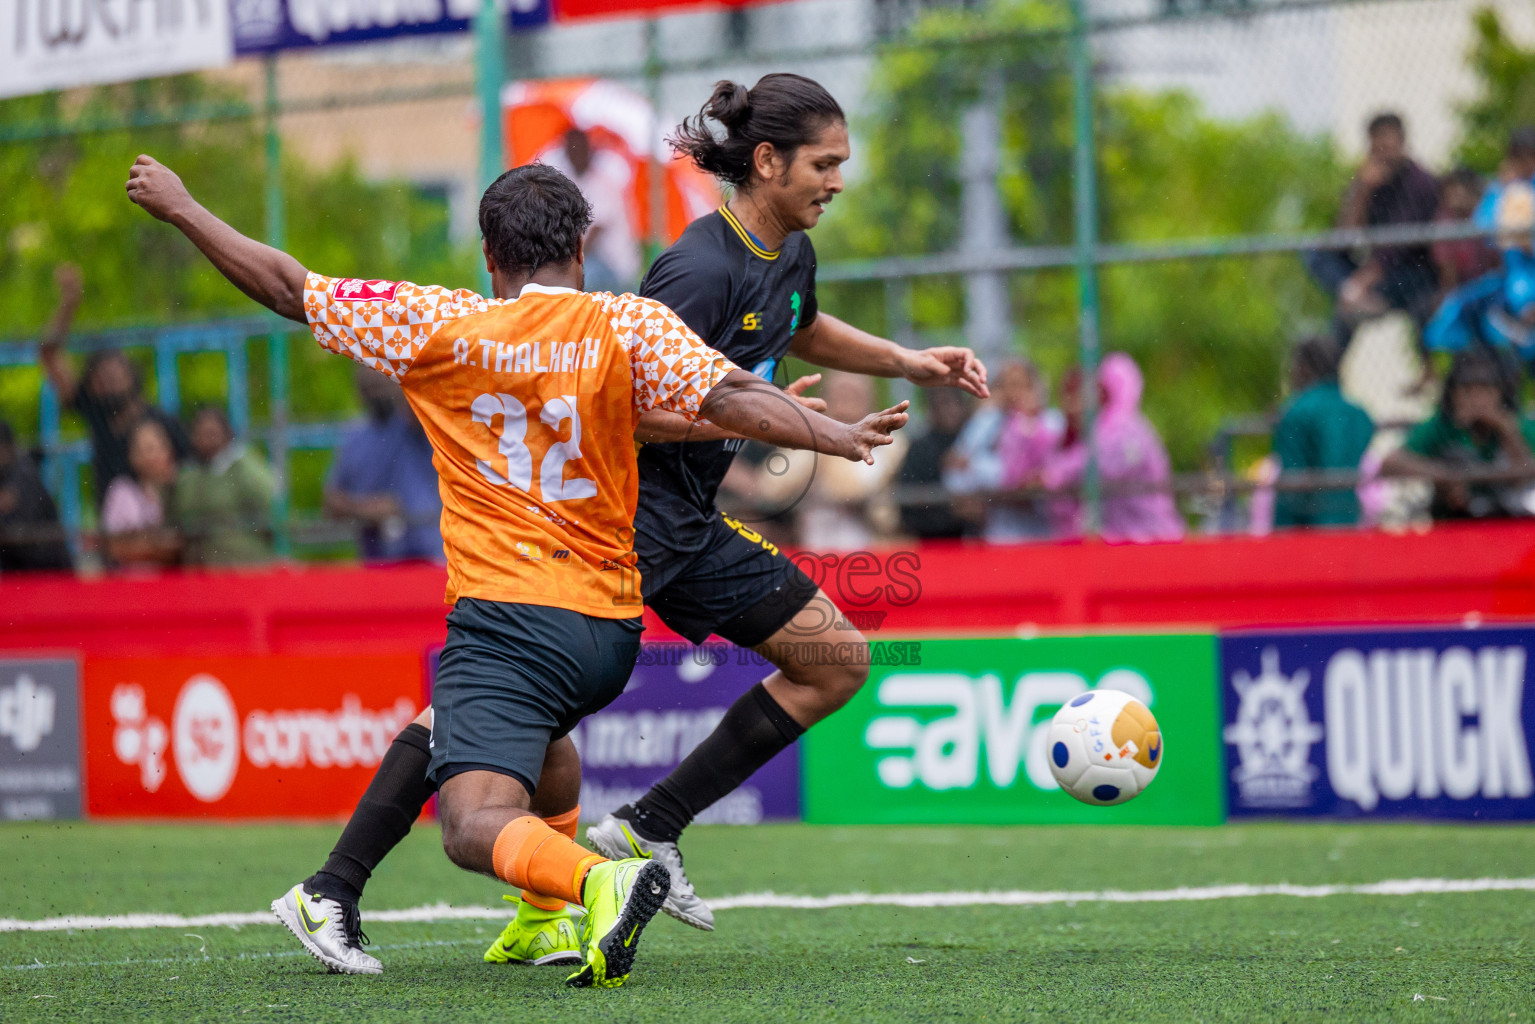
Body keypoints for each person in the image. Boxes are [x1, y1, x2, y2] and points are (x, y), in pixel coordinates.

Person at [126, 153, 906, 987]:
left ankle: (593, 879)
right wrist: (824, 432)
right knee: (539, 743)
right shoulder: (627, 326)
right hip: (609, 629)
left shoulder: (438, 323)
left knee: (471, 824)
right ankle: (519, 918)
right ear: (584, 240)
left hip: (506, 616)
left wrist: (183, 207)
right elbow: (722, 399)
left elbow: (286, 285)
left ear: (489, 256)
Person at [266, 73, 983, 971]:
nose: (838, 179)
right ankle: (348, 884)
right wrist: (760, 414)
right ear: (766, 162)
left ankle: (634, 836)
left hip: (686, 519)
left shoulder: (788, 254)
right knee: (487, 709)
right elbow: (620, 399)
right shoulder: (694, 268)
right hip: (629, 519)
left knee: (829, 660)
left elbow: (797, 324)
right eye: (825, 163)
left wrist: (907, 361)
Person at [36, 264, 190, 505]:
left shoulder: (165, 423)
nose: (109, 382)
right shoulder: (94, 412)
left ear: (132, 376)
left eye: (115, 374)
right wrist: (69, 303)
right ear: (91, 386)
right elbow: (49, 354)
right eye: (101, 377)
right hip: (115, 533)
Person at [1304, 113, 1442, 341]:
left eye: (1389, 142)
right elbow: (1344, 238)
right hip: (1373, 274)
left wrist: (1359, 284)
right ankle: (1330, 371)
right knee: (1317, 254)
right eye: (1378, 143)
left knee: (1347, 308)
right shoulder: (1370, 179)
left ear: (1402, 141)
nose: (1384, 151)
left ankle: (1359, 297)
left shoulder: (1419, 182)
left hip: (1413, 273)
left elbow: (1396, 247)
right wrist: (1362, 190)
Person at [1042, 353, 1184, 543]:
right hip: (1121, 539)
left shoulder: (1129, 430)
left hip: (1150, 536)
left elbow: (1104, 468)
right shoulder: (1092, 433)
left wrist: (1056, 474)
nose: (1073, 406)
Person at [1382, 347, 1535, 519]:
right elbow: (1390, 463)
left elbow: (1526, 475)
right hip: (1458, 515)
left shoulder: (1517, 424)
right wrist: (1446, 477)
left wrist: (1506, 430)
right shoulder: (1442, 425)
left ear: (1500, 394)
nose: (1477, 401)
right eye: (1467, 392)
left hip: (1509, 515)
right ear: (1453, 396)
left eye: (1485, 391)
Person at [326, 366, 444, 563]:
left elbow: (421, 392)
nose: (376, 390)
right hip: (378, 564)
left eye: (380, 379)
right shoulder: (355, 439)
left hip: (427, 557)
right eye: (369, 384)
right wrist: (367, 509)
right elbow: (331, 503)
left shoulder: (415, 426)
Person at [1270, 337, 1377, 528]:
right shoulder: (1359, 415)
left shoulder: (1297, 411)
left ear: (1305, 367)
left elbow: (1291, 481)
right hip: (1350, 520)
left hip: (1308, 526)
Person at [542, 127, 642, 293]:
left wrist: (561, 263)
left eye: (579, 150)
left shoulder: (602, 184)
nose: (575, 156)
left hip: (615, 268)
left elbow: (591, 237)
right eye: (571, 151)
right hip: (593, 261)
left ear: (589, 151)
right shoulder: (575, 183)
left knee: (576, 279)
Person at [175, 406, 277, 566]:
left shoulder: (245, 467)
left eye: (212, 434)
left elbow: (271, 505)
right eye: (200, 434)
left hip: (243, 565)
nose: (206, 441)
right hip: (202, 569)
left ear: (227, 434)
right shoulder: (189, 475)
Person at [100, 417, 181, 567]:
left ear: (169, 450)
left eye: (155, 448)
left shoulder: (181, 490)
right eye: (142, 450)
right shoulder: (121, 491)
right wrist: (158, 548)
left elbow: (181, 547)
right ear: (132, 456)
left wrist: (139, 545)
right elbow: (113, 547)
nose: (151, 456)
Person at [896, 387, 973, 540]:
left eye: (954, 402)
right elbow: (908, 500)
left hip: (977, 539)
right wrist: (952, 512)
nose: (949, 410)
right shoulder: (919, 449)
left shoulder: (974, 440)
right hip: (934, 541)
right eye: (941, 403)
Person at [0, 420, 72, 572]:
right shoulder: (7, 474)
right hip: (20, 569)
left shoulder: (23, 474)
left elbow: (18, 526)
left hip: (45, 567)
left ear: (5, 449)